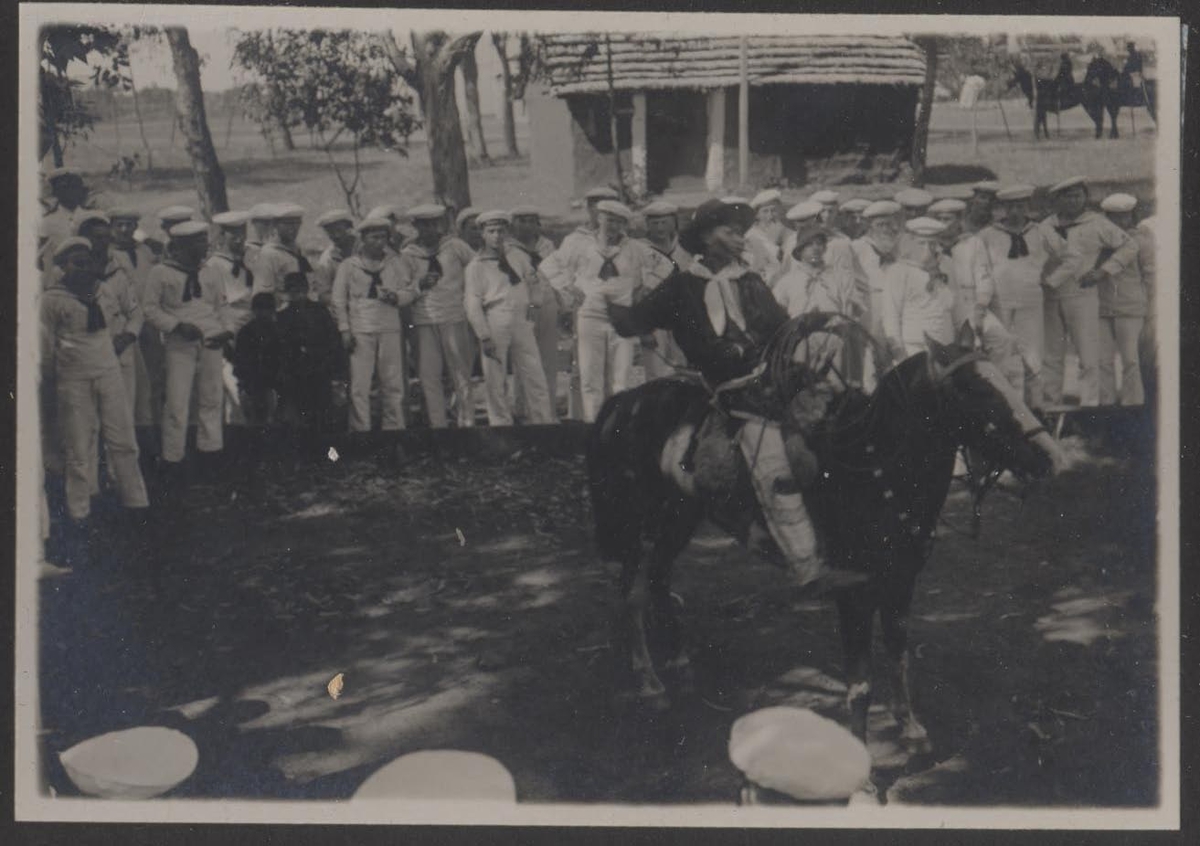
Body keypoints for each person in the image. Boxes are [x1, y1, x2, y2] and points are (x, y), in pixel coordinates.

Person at [606, 198, 864, 594]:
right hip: (733, 390)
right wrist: (612, 300)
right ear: (707, 238)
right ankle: (806, 566)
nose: (740, 238)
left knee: (841, 420)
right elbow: (634, 321)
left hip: (772, 379)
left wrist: (813, 323)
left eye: (740, 231)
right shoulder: (682, 286)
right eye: (730, 231)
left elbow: (781, 327)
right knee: (771, 460)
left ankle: (846, 538)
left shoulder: (750, 281)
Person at [41, 237, 150, 545]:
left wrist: (123, 340)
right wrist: (51, 383)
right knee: (79, 447)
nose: (84, 268)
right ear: (63, 267)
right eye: (76, 263)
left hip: (108, 371)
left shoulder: (103, 290)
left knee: (123, 440)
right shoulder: (52, 300)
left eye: (87, 262)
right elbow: (45, 349)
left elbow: (122, 321)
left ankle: (136, 504)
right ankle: (80, 513)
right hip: (73, 379)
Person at [547, 199, 673, 422]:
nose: (613, 226)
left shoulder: (634, 248)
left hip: (622, 318)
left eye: (619, 222)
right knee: (590, 376)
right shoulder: (582, 246)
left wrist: (645, 289)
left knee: (621, 378)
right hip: (590, 316)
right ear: (599, 219)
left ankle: (616, 426)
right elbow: (549, 265)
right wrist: (568, 288)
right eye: (609, 220)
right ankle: (592, 424)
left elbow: (665, 266)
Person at [142, 220, 233, 480]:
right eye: (197, 242)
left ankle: (210, 454)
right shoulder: (161, 272)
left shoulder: (211, 272)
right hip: (179, 344)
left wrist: (227, 331)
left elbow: (222, 306)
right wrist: (176, 326)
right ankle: (173, 460)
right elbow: (150, 308)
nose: (204, 247)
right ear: (181, 246)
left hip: (211, 340)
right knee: (177, 402)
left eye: (204, 240)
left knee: (211, 398)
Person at [976, 184, 1075, 412]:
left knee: (1032, 356)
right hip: (999, 302)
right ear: (1002, 208)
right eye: (1010, 207)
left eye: (1020, 206)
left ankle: (1036, 409)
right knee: (1001, 354)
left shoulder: (1041, 231)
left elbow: (1072, 258)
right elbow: (977, 266)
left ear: (1028, 207)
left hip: (1030, 302)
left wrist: (1052, 280)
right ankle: (1003, 408)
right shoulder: (987, 235)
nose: (1015, 212)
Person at [1041, 176, 1138, 407]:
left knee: (1088, 356)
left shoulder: (1096, 223)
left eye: (1078, 195)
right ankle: (1051, 407)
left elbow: (1129, 246)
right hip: (1049, 297)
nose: (1073, 201)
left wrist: (1103, 271)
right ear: (1057, 200)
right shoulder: (1045, 226)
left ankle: (1090, 406)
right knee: (1051, 355)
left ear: (1085, 197)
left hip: (1082, 295)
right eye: (1067, 196)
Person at [464, 211, 555, 425]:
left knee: (534, 373)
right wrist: (484, 335)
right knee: (495, 378)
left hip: (521, 320)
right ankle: (500, 425)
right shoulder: (476, 266)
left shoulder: (518, 257)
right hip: (495, 319)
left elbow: (534, 281)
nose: (497, 236)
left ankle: (542, 422)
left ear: (507, 232)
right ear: (483, 234)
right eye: (491, 231)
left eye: (501, 231)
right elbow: (472, 303)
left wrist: (534, 304)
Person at [395, 204, 478, 428]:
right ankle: (438, 425)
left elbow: (477, 270)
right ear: (415, 226)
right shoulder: (408, 254)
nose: (430, 229)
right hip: (424, 320)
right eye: (424, 225)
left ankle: (467, 422)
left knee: (460, 373)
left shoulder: (455, 246)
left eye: (434, 224)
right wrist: (418, 285)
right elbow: (402, 290)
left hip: (454, 316)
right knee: (428, 375)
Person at [540, 186, 620, 419]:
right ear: (589, 209)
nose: (603, 214)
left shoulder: (623, 240)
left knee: (614, 368)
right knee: (584, 367)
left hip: (616, 311)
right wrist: (569, 290)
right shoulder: (575, 240)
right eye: (598, 207)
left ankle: (613, 419)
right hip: (586, 312)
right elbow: (550, 267)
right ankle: (581, 419)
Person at [332, 217, 416, 432]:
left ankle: (394, 429)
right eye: (374, 237)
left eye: (383, 237)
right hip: (361, 330)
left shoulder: (395, 263)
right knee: (360, 385)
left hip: (389, 328)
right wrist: (345, 329)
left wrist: (396, 297)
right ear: (363, 239)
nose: (379, 242)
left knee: (393, 384)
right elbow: (339, 301)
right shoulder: (349, 266)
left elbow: (410, 291)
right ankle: (361, 431)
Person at [74, 212, 143, 421]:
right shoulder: (71, 274)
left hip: (120, 349)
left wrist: (127, 336)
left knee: (123, 415)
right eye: (97, 237)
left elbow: (135, 312)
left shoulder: (118, 271)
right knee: (90, 417)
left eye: (106, 237)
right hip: (88, 353)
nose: (103, 242)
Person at [108, 207, 162, 437]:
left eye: (129, 225)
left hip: (149, 320)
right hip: (124, 323)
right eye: (119, 225)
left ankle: (151, 427)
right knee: (129, 379)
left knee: (154, 373)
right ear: (111, 227)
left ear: (135, 227)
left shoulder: (145, 250)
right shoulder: (108, 253)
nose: (124, 229)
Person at [509, 204, 563, 417]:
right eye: (521, 221)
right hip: (522, 307)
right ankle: (522, 410)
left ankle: (548, 412)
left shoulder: (547, 246)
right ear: (513, 225)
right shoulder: (508, 248)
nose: (527, 226)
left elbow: (557, 275)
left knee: (548, 358)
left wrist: (562, 303)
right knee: (524, 360)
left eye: (531, 221)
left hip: (547, 304)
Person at [1096, 192, 1150, 405]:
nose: (1120, 221)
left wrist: (1151, 306)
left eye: (1125, 216)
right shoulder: (1098, 240)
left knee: (1130, 360)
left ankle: (1132, 403)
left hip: (1130, 307)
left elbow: (1150, 274)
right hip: (1101, 306)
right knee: (1103, 360)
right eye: (1114, 217)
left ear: (1132, 216)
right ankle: (1106, 403)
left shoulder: (1141, 239)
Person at [276, 272, 346, 433]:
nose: (297, 293)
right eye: (292, 290)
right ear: (287, 292)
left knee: (321, 419)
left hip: (320, 372)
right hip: (295, 375)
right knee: (297, 421)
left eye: (300, 289)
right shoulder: (282, 317)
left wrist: (336, 372)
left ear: (306, 289)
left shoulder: (320, 312)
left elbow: (334, 342)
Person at [881, 218, 958, 361]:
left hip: (945, 344)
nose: (927, 249)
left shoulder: (947, 265)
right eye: (921, 243)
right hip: (914, 348)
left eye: (932, 243)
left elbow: (957, 306)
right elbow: (891, 314)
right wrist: (898, 351)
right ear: (911, 243)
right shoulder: (899, 271)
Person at [638, 200, 691, 377]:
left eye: (664, 222)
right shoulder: (640, 249)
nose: (660, 228)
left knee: (685, 364)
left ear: (674, 223)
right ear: (647, 225)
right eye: (655, 223)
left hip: (682, 314)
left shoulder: (684, 247)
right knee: (656, 369)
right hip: (655, 316)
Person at [773, 223, 858, 321]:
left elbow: (849, 314)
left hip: (834, 328)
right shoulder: (787, 282)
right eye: (809, 244)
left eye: (819, 244)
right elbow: (777, 316)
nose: (815, 248)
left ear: (824, 248)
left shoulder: (838, 278)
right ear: (800, 250)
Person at [232, 292, 282, 428]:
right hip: (251, 384)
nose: (263, 313)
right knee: (252, 421)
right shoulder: (245, 332)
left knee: (271, 421)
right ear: (254, 311)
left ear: (273, 310)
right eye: (260, 309)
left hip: (273, 384)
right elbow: (239, 361)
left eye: (267, 309)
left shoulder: (278, 331)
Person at [253, 202, 314, 303]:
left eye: (297, 223)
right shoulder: (268, 254)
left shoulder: (298, 249)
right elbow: (263, 293)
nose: (294, 228)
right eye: (288, 224)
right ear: (275, 225)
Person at [39, 167, 88, 270]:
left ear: (80, 189)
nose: (70, 192)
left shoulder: (90, 217)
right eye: (65, 188)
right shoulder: (47, 222)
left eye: (74, 187)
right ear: (56, 192)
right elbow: (39, 256)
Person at [313, 209, 357, 310]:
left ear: (349, 228)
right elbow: (323, 294)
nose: (336, 235)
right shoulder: (327, 258)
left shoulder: (366, 248)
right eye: (330, 232)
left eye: (339, 230)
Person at [745, 189, 786, 282]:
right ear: (757, 215)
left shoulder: (781, 230)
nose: (770, 215)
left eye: (773, 210)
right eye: (765, 211)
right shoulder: (751, 235)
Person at [244, 203, 277, 271]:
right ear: (253, 223)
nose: (270, 227)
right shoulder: (247, 248)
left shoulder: (274, 246)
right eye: (266, 224)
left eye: (273, 224)